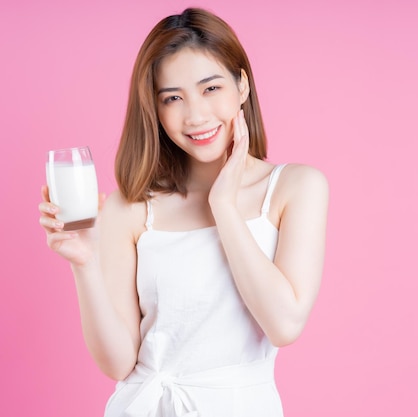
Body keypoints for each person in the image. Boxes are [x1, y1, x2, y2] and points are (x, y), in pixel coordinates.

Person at [39, 7, 328, 417]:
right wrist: (84, 265)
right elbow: (118, 363)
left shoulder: (297, 187)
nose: (195, 115)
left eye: (210, 89)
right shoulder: (131, 206)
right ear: (154, 110)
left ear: (242, 85)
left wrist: (223, 205)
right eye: (172, 98)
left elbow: (284, 325)